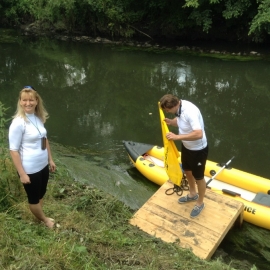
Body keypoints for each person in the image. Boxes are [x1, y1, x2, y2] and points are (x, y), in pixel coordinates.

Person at [9, 86, 56, 228]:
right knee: (34, 199)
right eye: (24, 100)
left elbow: (44, 139)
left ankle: (39, 218)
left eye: (31, 100)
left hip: (42, 165)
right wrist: (22, 174)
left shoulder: (38, 117)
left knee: (41, 193)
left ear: (36, 101)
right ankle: (45, 220)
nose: (27, 103)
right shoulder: (18, 123)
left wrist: (50, 159)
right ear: (20, 101)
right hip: (30, 168)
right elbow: (14, 150)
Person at [160, 94, 208, 218]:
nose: (167, 112)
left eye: (168, 110)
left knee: (199, 177)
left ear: (175, 105)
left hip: (198, 150)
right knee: (187, 170)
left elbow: (198, 134)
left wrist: (177, 137)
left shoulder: (190, 111)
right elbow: (181, 120)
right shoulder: (180, 106)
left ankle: (200, 202)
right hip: (187, 147)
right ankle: (193, 194)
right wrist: (171, 122)